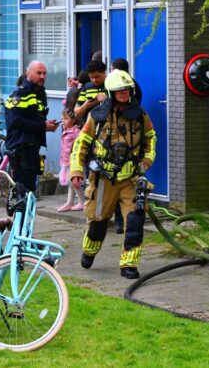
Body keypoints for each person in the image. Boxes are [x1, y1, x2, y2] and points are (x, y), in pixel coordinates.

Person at [70, 69, 157, 279]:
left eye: (127, 89)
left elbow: (150, 138)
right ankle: (89, 251)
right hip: (103, 179)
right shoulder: (97, 117)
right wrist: (76, 170)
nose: (124, 93)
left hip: (131, 179)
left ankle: (129, 264)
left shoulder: (140, 116)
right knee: (98, 222)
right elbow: (81, 144)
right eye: (119, 90)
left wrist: (146, 161)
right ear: (111, 92)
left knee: (135, 221)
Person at [5, 61, 59, 192]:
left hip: (33, 148)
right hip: (21, 148)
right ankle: (19, 212)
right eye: (38, 73)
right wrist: (43, 125)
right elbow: (16, 121)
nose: (42, 76)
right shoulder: (20, 94)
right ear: (28, 73)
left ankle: (25, 212)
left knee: (30, 191)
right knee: (22, 191)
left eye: (44, 73)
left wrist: (46, 125)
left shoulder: (39, 93)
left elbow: (35, 119)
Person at [109, 58, 142, 234]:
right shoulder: (135, 87)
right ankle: (120, 221)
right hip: (123, 154)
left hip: (125, 154)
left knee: (124, 192)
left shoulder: (131, 91)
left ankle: (121, 222)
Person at [57, 108, 85, 212]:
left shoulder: (76, 131)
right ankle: (69, 203)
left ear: (73, 119)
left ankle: (82, 201)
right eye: (62, 119)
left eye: (66, 118)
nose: (63, 121)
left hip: (73, 162)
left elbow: (80, 146)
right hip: (65, 161)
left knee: (72, 181)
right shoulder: (65, 131)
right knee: (70, 182)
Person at [74, 59, 108, 123]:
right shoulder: (87, 88)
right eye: (91, 77)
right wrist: (85, 106)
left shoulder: (111, 86)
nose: (94, 80)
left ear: (104, 73)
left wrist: (107, 99)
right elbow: (76, 114)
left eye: (97, 77)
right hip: (89, 128)